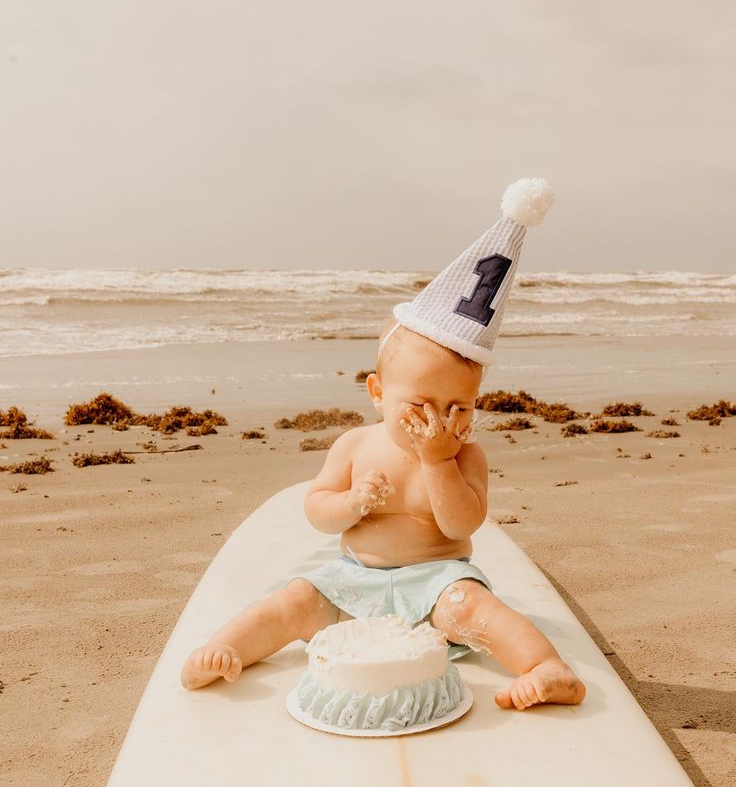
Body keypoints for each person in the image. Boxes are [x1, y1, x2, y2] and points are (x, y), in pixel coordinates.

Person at [180, 177, 587, 710]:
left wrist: (439, 463)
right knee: (294, 601)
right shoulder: (355, 445)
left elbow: (461, 525)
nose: (439, 420)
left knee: (479, 610)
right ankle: (223, 649)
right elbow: (318, 511)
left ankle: (547, 667)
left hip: (437, 584)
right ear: (377, 392)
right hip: (355, 580)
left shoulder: (465, 454)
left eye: (458, 407)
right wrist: (349, 505)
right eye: (420, 405)